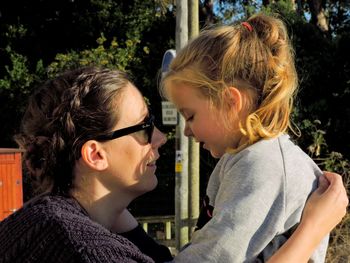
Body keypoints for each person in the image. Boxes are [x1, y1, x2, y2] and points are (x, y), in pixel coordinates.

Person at [0, 67, 347, 263]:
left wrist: (113, 209)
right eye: (143, 127)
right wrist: (312, 230)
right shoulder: (84, 250)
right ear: (96, 155)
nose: (161, 138)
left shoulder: (50, 225)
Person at [160, 13, 348, 262]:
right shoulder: (243, 158)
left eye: (191, 116)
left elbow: (214, 257)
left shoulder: (263, 165)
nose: (186, 130)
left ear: (230, 102)